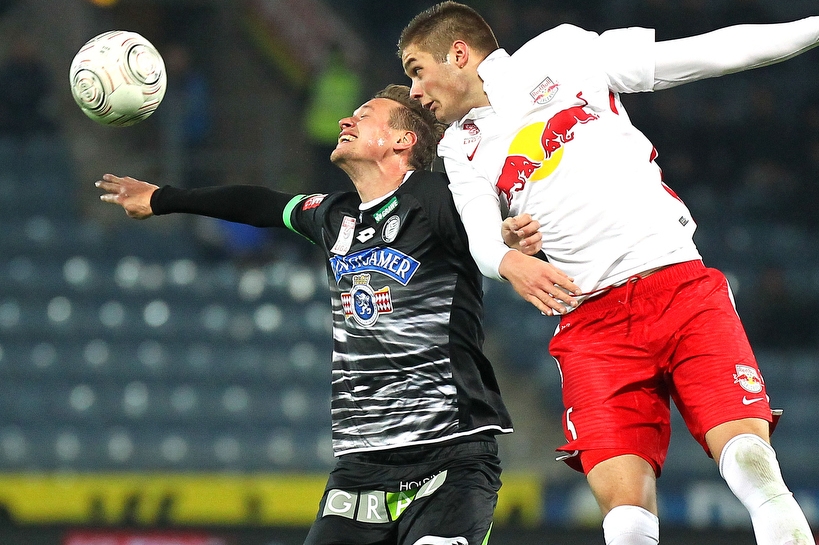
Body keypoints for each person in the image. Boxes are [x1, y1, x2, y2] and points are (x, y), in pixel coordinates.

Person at [397, 0, 819, 545]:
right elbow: (481, 237)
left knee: (749, 462)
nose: (413, 91)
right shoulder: (460, 147)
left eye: (417, 71)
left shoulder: (563, 52)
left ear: (457, 53)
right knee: (623, 513)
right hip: (592, 323)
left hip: (677, 284)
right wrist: (509, 260)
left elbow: (703, 53)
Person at [95, 84, 513, 545]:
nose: (344, 121)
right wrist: (162, 199)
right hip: (361, 463)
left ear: (402, 140)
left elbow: (498, 226)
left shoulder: (436, 197)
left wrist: (512, 240)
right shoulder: (334, 215)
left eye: (364, 115)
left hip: (449, 453)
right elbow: (260, 205)